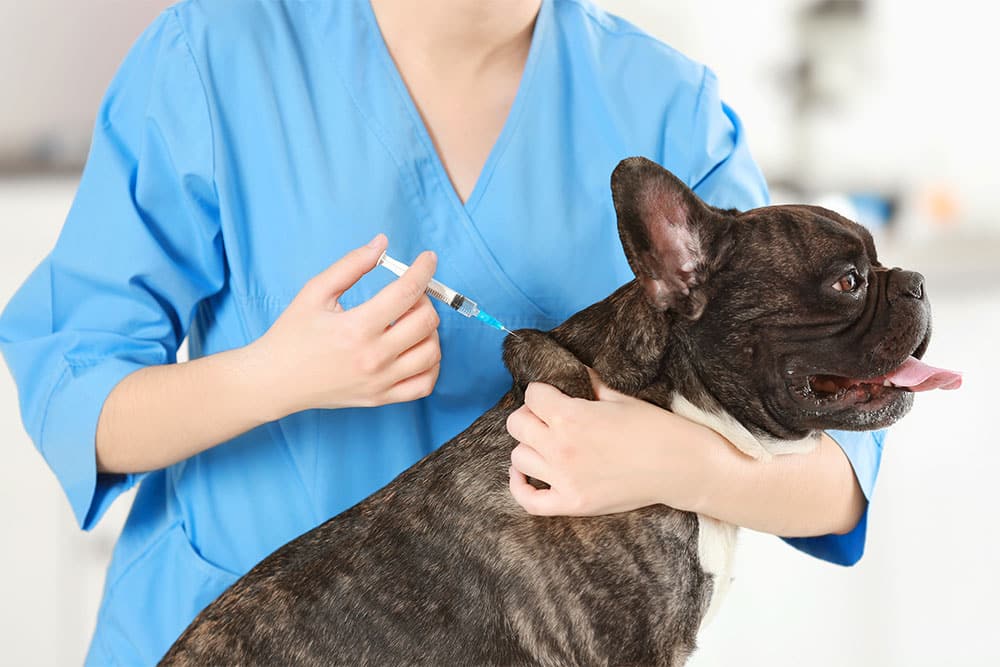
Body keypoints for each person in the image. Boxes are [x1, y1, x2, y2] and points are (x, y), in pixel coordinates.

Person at [0, 0, 884, 663]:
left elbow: (839, 476)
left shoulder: (661, 103)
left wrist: (675, 462)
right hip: (240, 633)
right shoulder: (217, 57)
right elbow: (76, 395)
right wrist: (274, 376)